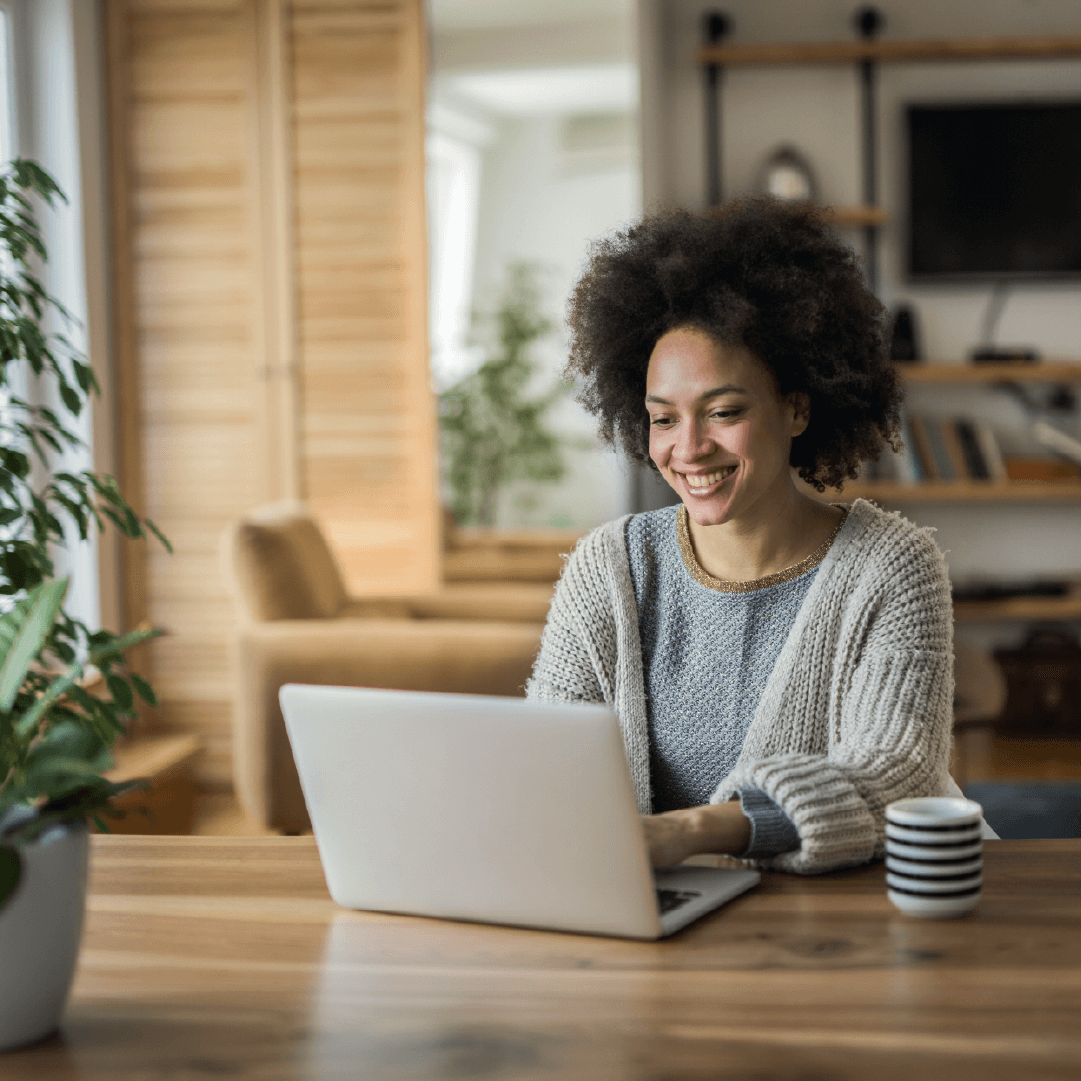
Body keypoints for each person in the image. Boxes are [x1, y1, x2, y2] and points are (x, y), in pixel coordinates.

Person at [526, 196, 957, 875]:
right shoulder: (606, 567)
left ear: (796, 406)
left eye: (722, 410)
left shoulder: (891, 566)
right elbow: (544, 762)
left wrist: (693, 830)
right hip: (657, 912)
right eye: (663, 419)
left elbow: (895, 774)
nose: (689, 448)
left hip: (847, 915)